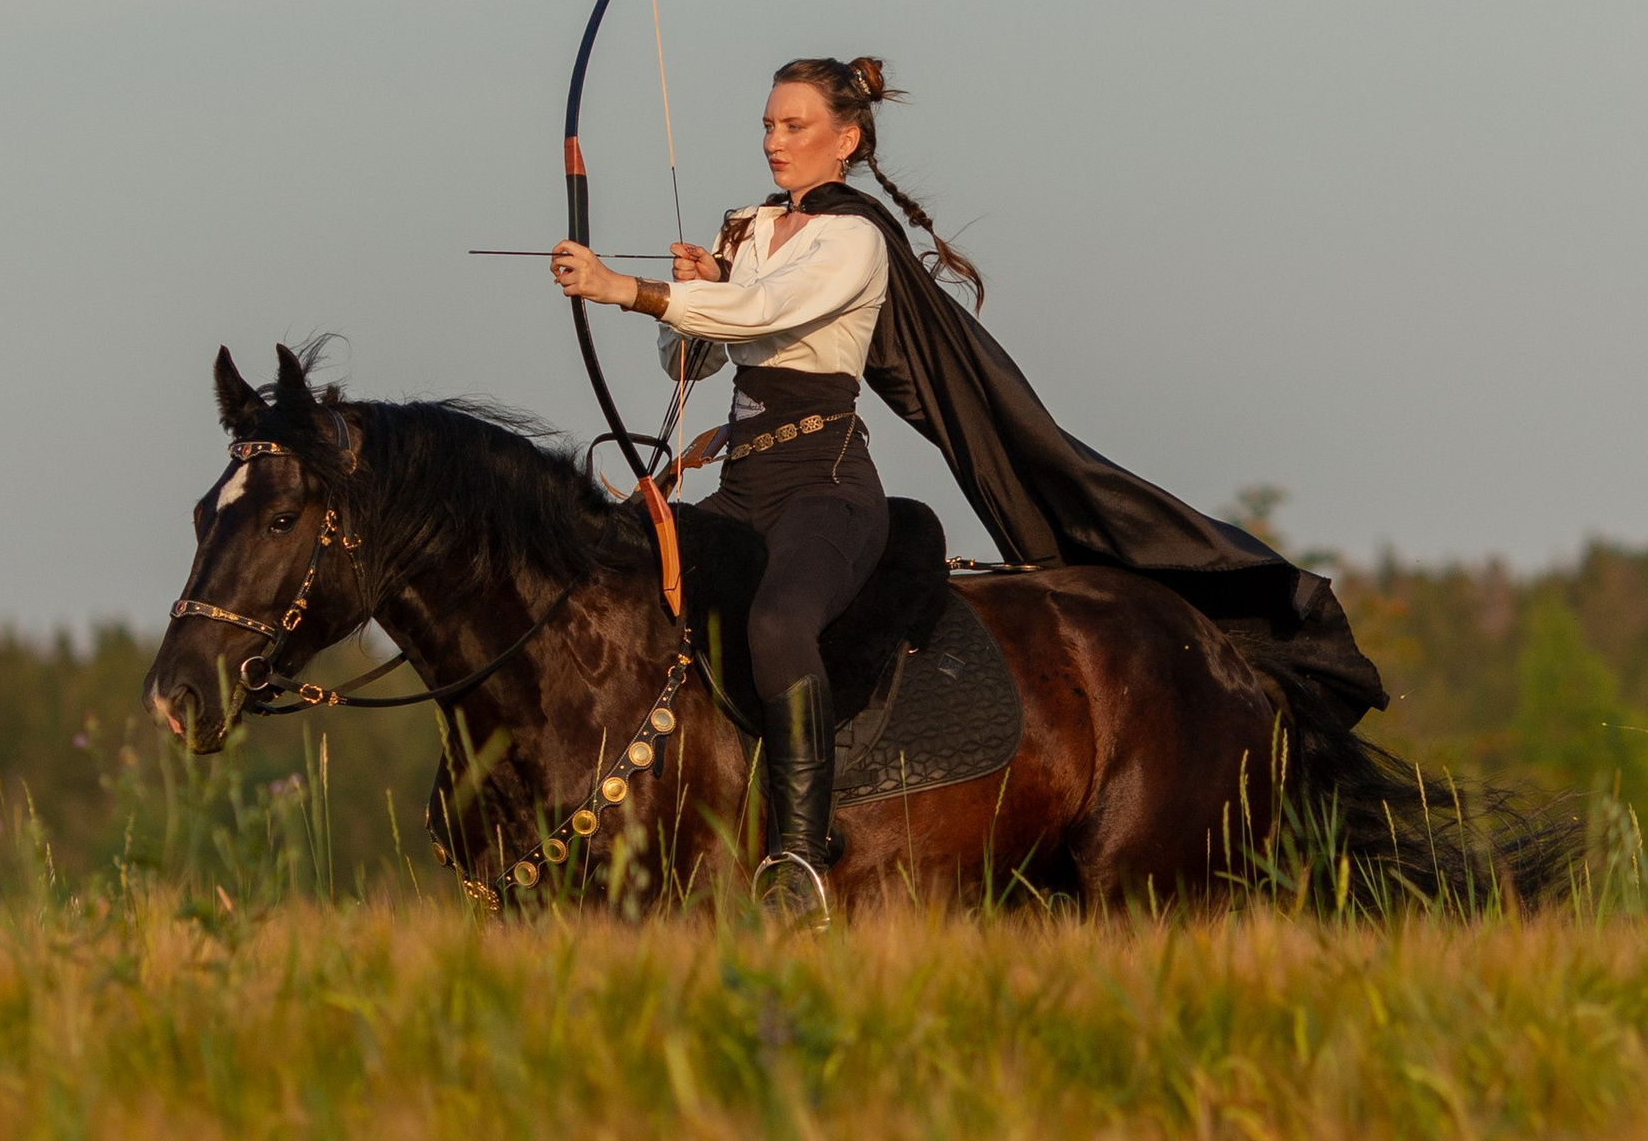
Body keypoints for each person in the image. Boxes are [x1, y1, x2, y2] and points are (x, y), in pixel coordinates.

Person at [551, 54, 1387, 920]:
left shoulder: (855, 240)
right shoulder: (749, 229)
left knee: (779, 620)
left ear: (846, 140)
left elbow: (770, 316)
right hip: (743, 487)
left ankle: (796, 859)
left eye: (794, 125)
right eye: (767, 123)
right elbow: (698, 350)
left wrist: (629, 288)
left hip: (825, 489)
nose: (774, 141)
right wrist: (698, 289)